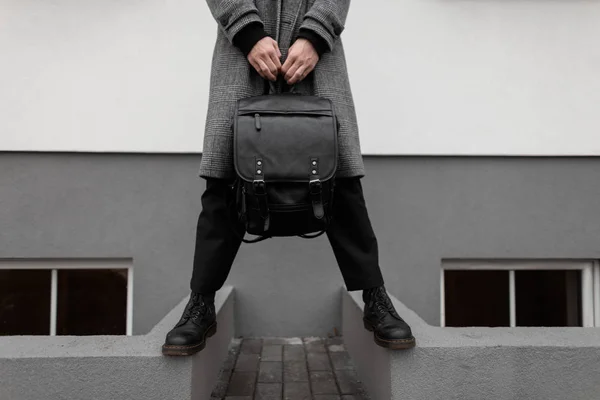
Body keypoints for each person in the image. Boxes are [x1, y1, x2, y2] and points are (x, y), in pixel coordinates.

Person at [162, 0, 416, 356]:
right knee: (223, 184)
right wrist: (248, 33)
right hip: (241, 55)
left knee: (341, 181)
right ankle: (200, 305)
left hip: (316, 58)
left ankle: (375, 299)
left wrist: (315, 35)